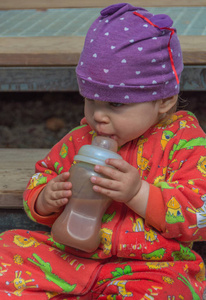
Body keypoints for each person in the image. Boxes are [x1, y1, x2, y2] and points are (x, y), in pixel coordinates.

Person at [0, 3, 206, 299]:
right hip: (71, 259)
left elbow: (199, 213)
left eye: (116, 104)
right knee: (6, 251)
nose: (99, 116)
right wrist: (46, 197)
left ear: (164, 100)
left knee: (170, 291)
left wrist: (138, 194)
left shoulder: (184, 142)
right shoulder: (81, 138)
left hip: (150, 268)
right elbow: (43, 173)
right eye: (91, 100)